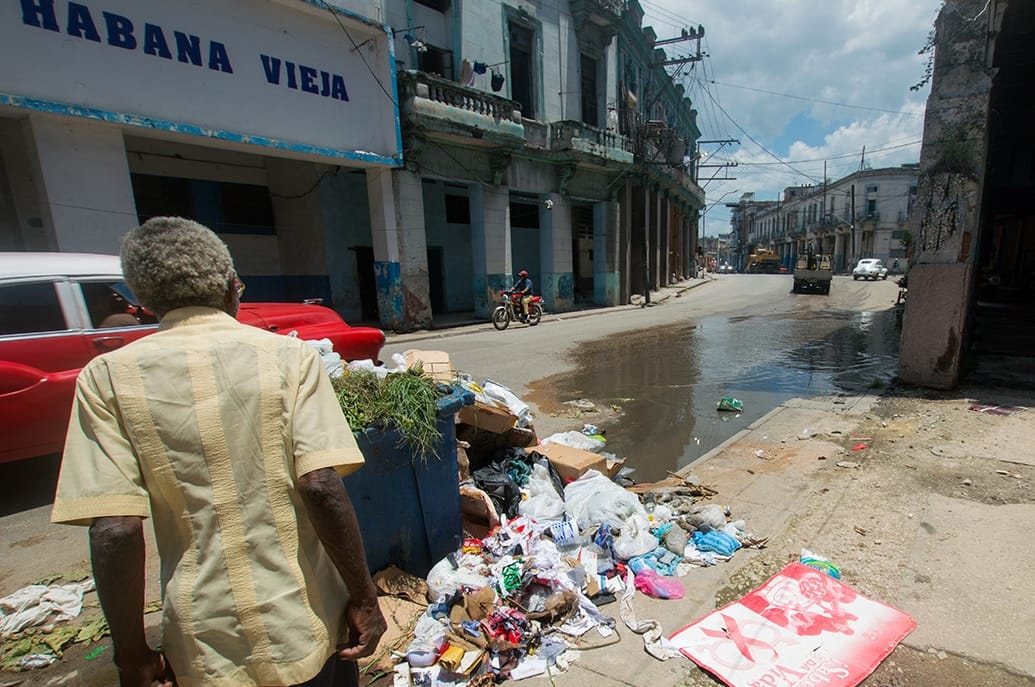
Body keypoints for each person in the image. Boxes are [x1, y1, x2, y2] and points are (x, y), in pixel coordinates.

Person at [51, 217, 385, 687]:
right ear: (232, 288)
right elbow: (321, 486)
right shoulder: (290, 359)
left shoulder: (106, 377)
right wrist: (365, 599)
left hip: (202, 644)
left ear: (145, 301)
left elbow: (115, 529)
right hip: (303, 621)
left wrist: (132, 655)